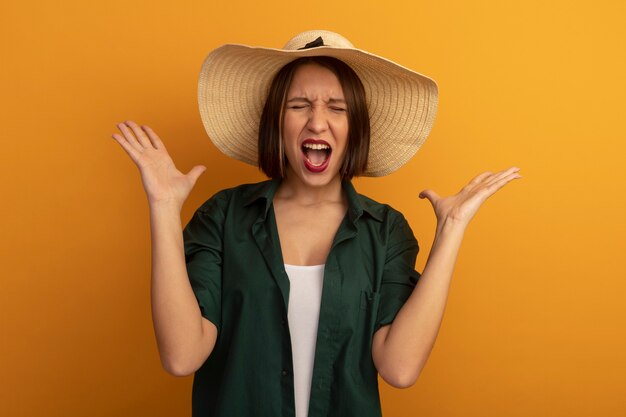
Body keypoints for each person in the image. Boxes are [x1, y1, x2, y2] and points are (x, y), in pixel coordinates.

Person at [112, 30, 520, 417]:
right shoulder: (223, 216)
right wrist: (164, 207)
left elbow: (400, 368)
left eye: (337, 108)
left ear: (354, 126)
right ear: (277, 121)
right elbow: (182, 356)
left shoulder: (385, 231)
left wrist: (451, 229)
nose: (317, 122)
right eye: (299, 105)